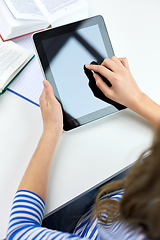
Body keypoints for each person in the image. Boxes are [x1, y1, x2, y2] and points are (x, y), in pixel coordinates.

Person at [6, 56, 160, 240]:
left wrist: (52, 129)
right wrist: (136, 97)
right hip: (121, 200)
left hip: (84, 221)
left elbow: (18, 231)